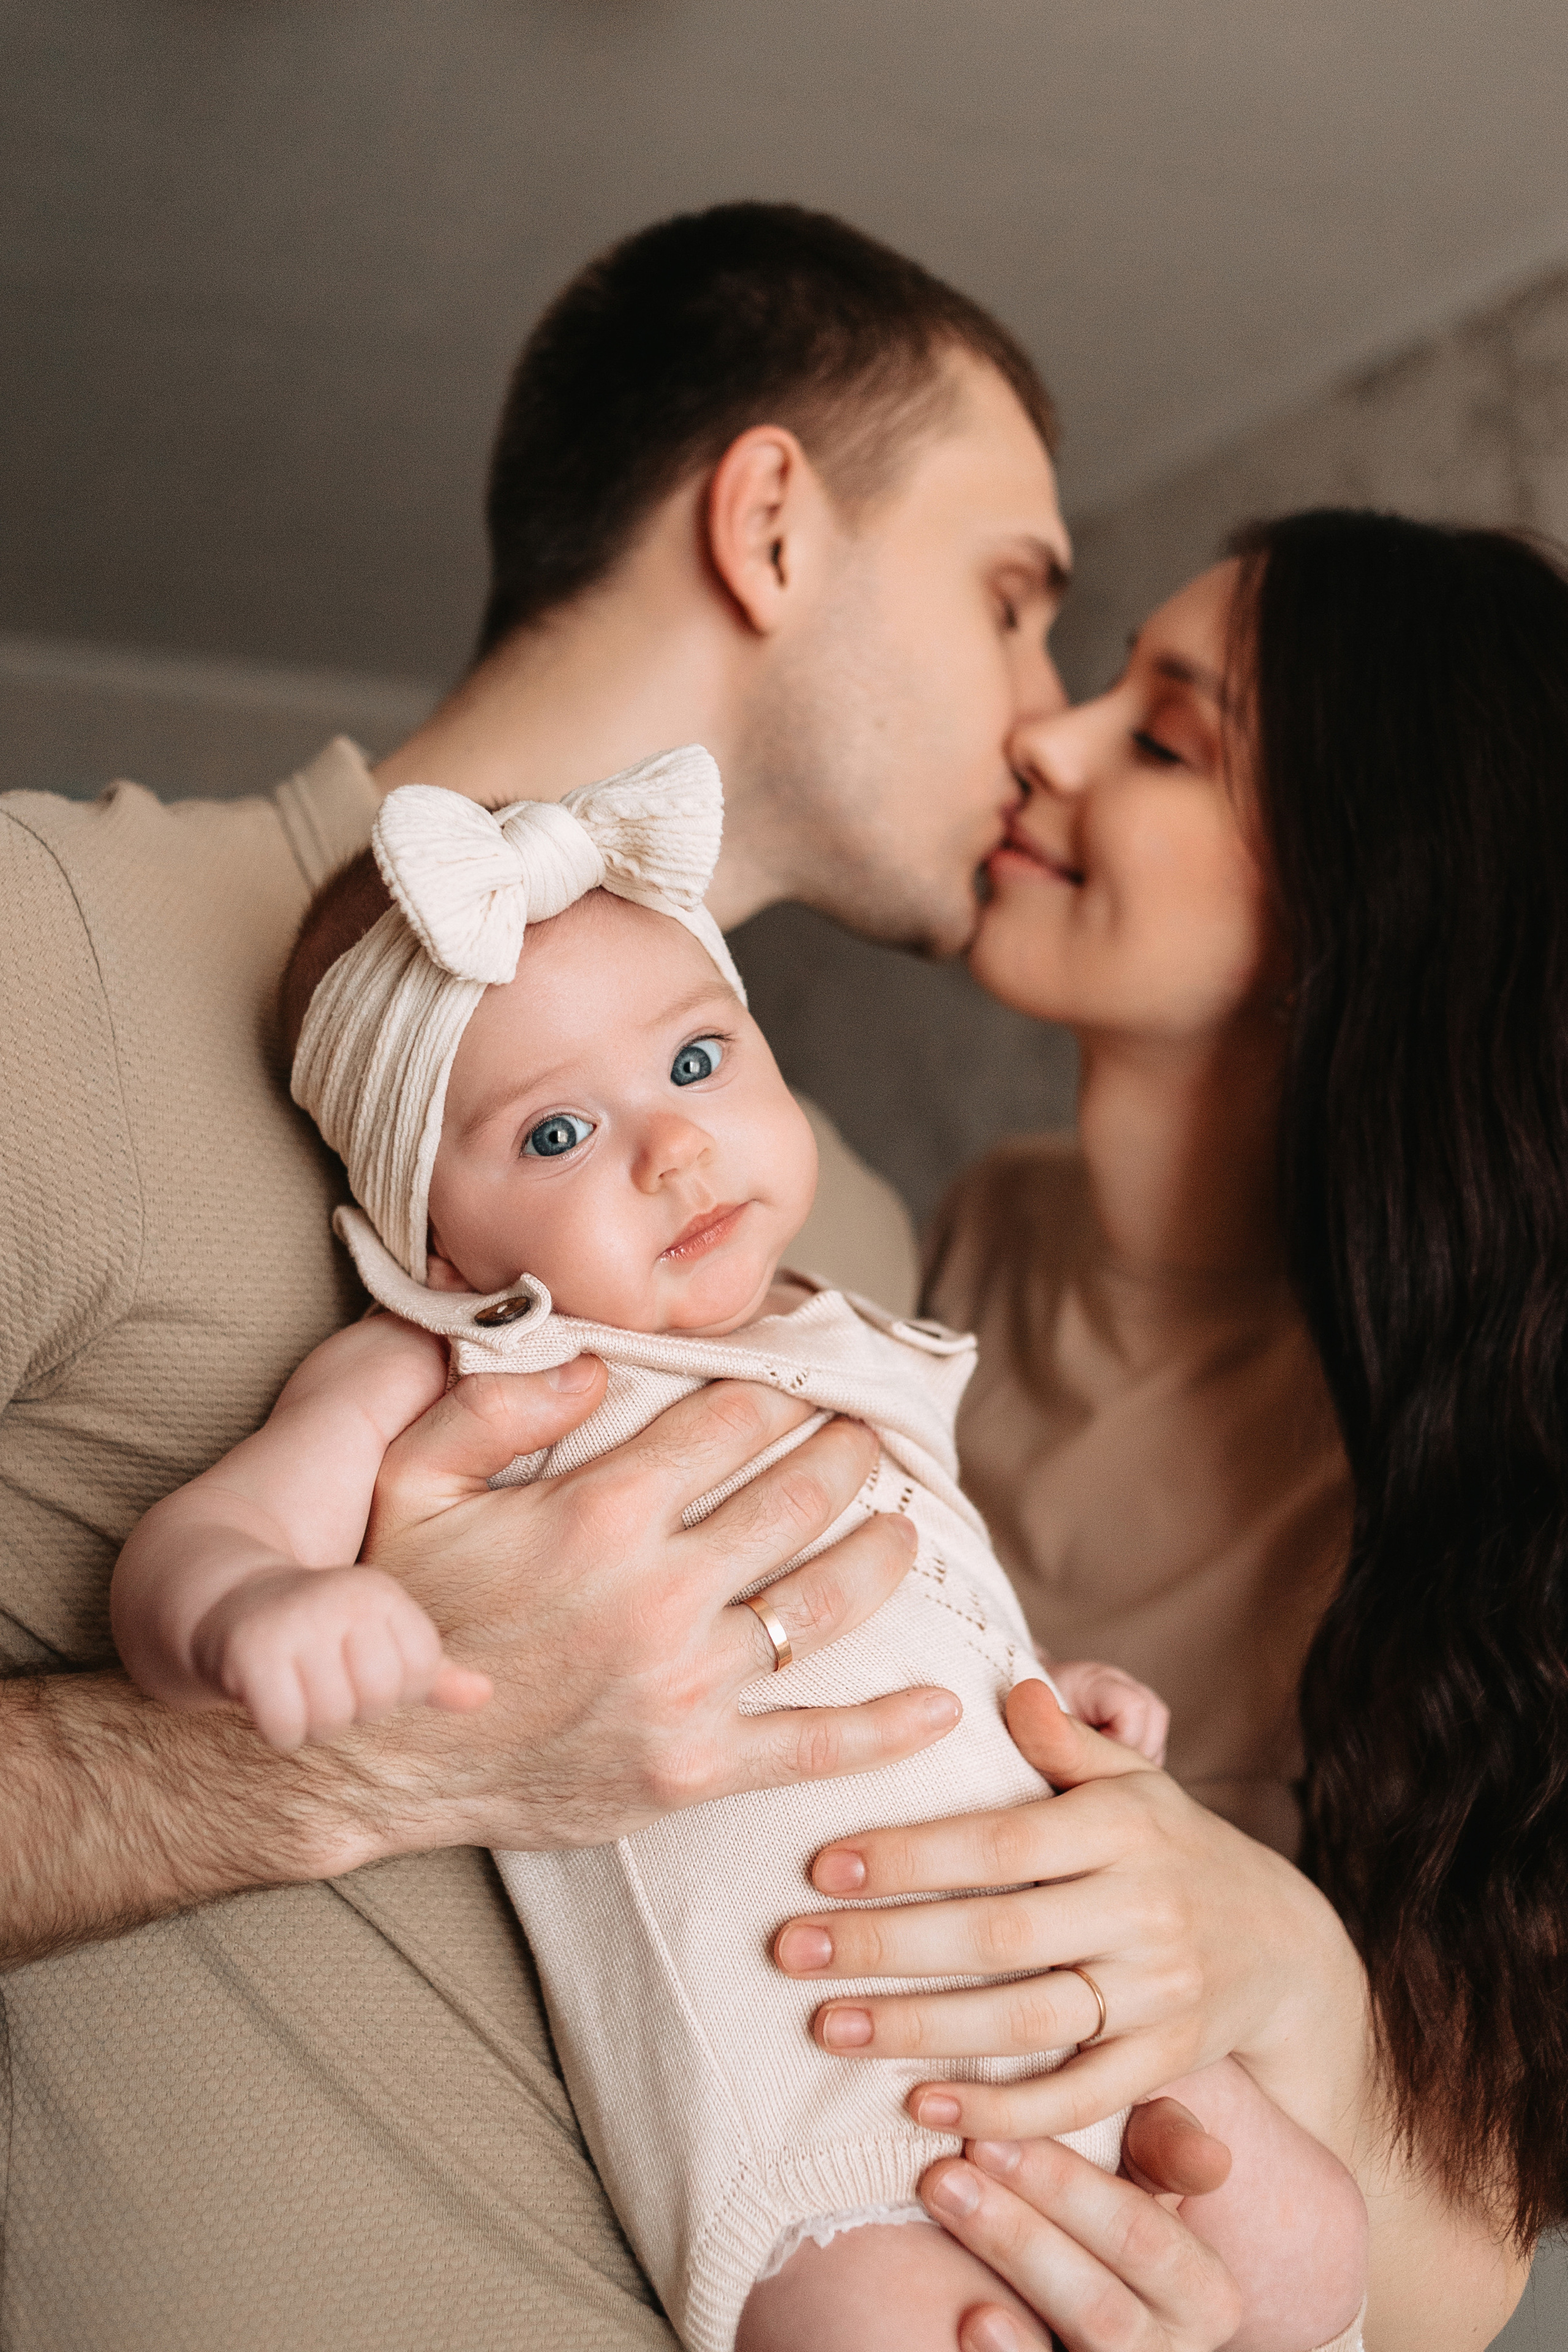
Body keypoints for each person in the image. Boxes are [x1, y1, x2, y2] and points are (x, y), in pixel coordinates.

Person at [0, 202, 1253, 2352]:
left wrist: (1146, 1895)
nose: (1045, 728)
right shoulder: (62, 956)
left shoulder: (839, 1235)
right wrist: (330, 1763)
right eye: (1017, 603)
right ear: (771, 522)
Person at [110, 756, 1366, 2352]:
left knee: (1314, 2247)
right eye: (558, 1131)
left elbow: (929, 1606)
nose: (673, 1150)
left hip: (1076, 2005)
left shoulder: (844, 1336)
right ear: (435, 1245)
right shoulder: (459, 1365)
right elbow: (200, 1535)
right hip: (821, 2096)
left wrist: (1045, 1702)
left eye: (699, 1059)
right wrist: (255, 1606)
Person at [767, 511, 1568, 2348]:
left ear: (1370, 891)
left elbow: (1462, 2278)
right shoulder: (966, 1233)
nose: (1041, 740)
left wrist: (1272, 1950)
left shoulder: (1488, 1475)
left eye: (1163, 737)